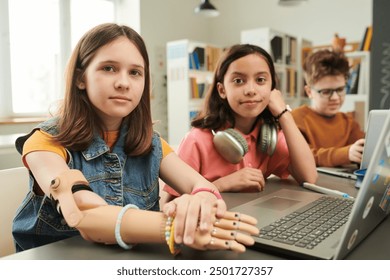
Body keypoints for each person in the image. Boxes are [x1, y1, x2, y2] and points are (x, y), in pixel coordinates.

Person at [12, 23, 259, 254]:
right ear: (80, 78)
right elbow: (82, 212)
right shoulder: (44, 142)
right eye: (108, 68)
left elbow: (202, 186)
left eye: (135, 73)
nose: (123, 83)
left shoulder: (151, 143)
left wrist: (200, 203)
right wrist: (175, 226)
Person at [163, 44, 317, 200]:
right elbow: (169, 204)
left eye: (260, 80)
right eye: (238, 81)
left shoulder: (270, 138)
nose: (250, 90)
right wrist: (221, 185)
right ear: (222, 90)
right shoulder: (197, 140)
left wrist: (284, 113)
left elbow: (309, 177)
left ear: (272, 88)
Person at [291, 49, 365, 167]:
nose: (335, 97)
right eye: (326, 92)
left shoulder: (349, 123)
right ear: (309, 92)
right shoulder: (295, 119)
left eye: (340, 89)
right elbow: (303, 156)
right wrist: (346, 154)